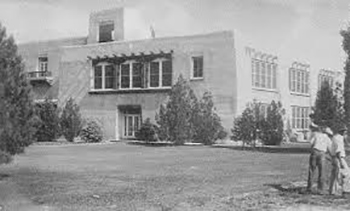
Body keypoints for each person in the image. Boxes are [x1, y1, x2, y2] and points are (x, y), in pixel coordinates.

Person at [307, 123, 332, 194]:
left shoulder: (315, 134)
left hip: (315, 152)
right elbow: (330, 149)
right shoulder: (327, 138)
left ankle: (310, 187)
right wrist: (331, 157)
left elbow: (311, 143)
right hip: (322, 153)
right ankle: (321, 189)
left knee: (312, 170)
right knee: (322, 171)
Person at [329, 126, 348, 195]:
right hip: (338, 157)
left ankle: (332, 190)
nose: (345, 133)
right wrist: (340, 161)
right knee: (345, 173)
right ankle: (344, 190)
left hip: (335, 157)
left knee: (334, 174)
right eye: (344, 131)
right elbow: (338, 151)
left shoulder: (337, 137)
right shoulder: (338, 138)